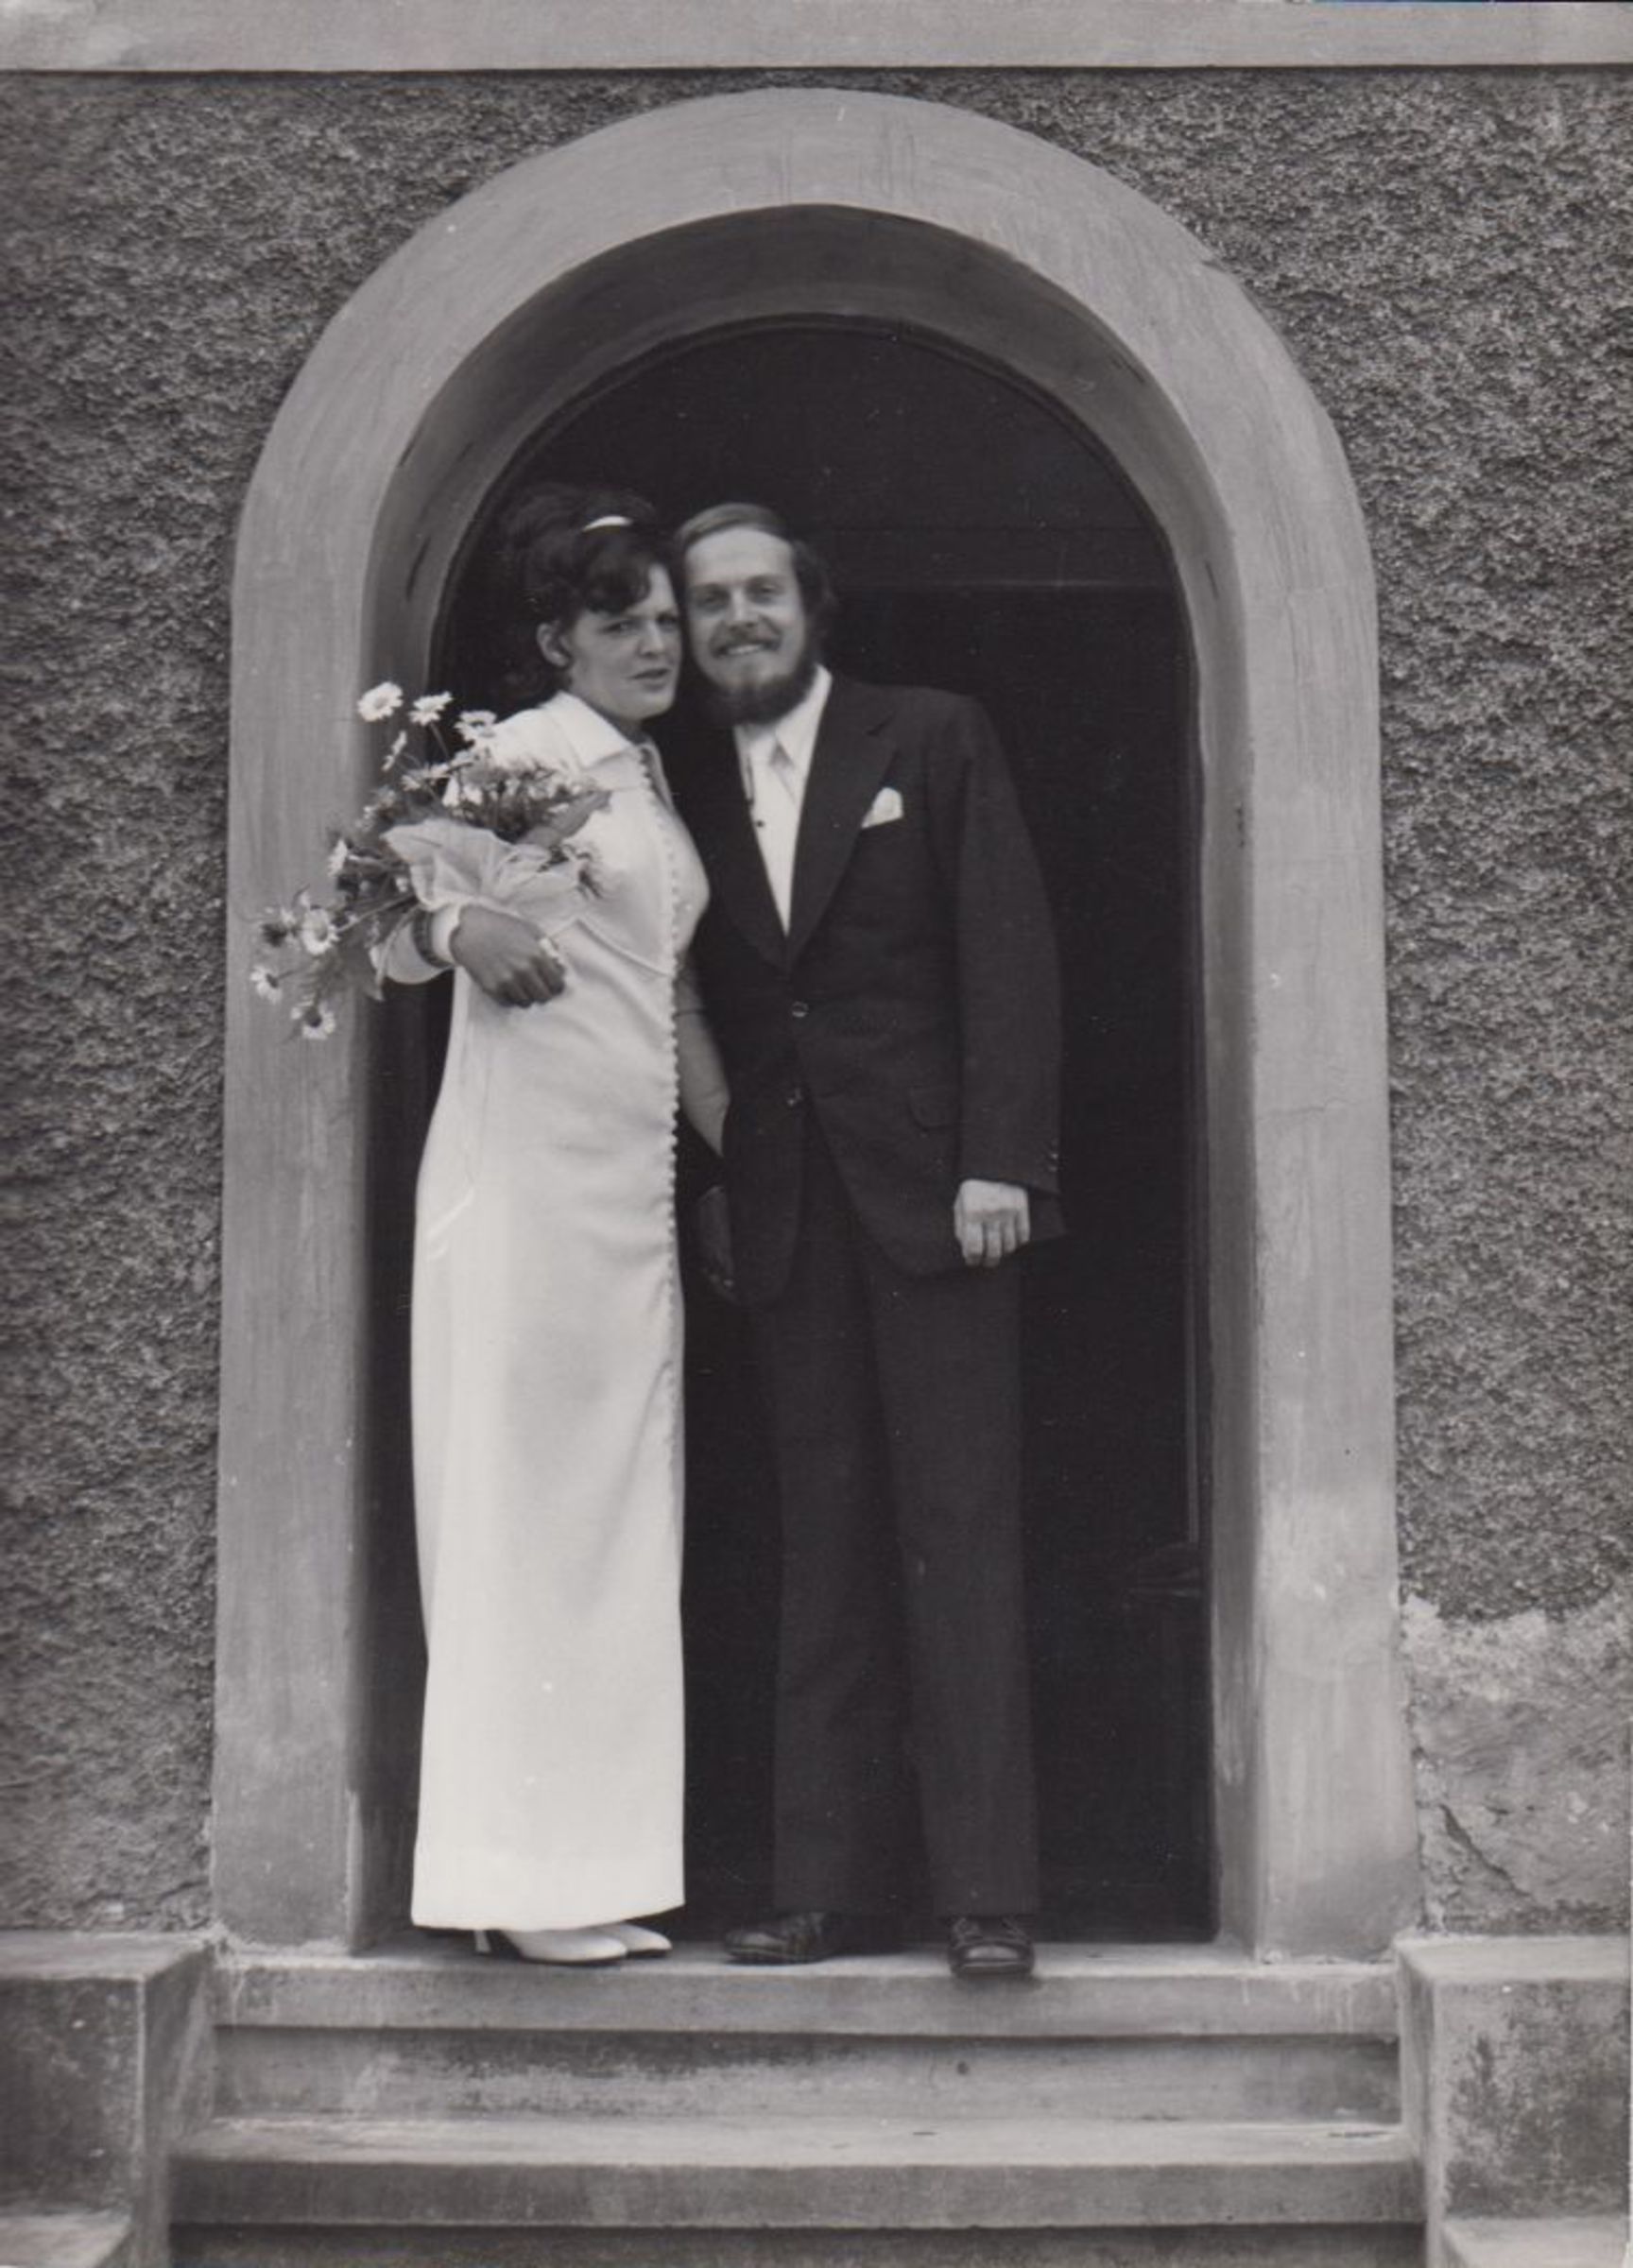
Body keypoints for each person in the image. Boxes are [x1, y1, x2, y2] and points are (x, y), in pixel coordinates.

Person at [673, 502, 1062, 1981]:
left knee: (958, 1532)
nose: (739, 619)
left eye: (761, 591)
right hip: (786, 1209)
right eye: (711, 601)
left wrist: (999, 1161)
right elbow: (686, 998)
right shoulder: (676, 782)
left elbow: (1008, 949)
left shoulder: (930, 735)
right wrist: (718, 1182)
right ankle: (825, 1888)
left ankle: (987, 1896)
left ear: (812, 603)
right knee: (820, 1542)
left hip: (941, 1201)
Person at [385, 486, 728, 1966]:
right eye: (621, 621)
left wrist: (749, 1159)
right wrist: (461, 926)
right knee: (525, 1511)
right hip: (526, 1188)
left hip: (623, 1202)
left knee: (612, 1517)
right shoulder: (520, 756)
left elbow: (668, 993)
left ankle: (583, 1870)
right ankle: (512, 1882)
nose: (657, 642)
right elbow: (370, 909)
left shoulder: (643, 776)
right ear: (555, 640)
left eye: (666, 620)